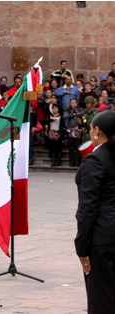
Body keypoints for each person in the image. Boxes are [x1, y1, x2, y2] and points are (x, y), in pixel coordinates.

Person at [74, 110, 115, 314]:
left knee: (101, 300)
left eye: (90, 128)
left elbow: (88, 208)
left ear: (97, 131)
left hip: (103, 239)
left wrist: (81, 246)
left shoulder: (95, 160)